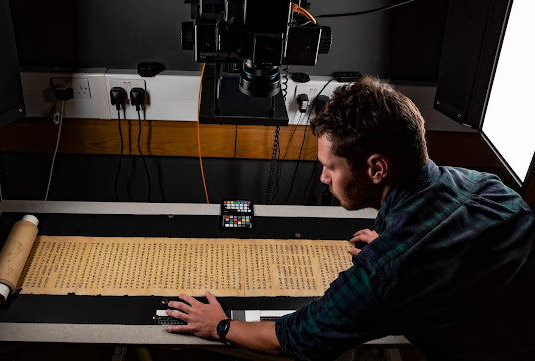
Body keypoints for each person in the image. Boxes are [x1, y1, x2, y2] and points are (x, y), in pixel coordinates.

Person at [165, 77, 535, 360]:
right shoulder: (488, 186)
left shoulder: (386, 271)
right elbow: (453, 249)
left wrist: (221, 326)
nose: (324, 179)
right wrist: (394, 244)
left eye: (331, 167)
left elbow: (299, 337)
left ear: (376, 168)